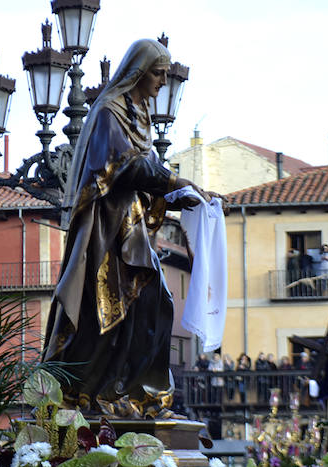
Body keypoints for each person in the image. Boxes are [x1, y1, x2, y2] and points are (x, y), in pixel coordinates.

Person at [42, 39, 206, 419]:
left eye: (166, 75)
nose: (164, 82)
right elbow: (121, 167)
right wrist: (175, 184)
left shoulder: (139, 116)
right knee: (105, 311)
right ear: (138, 72)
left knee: (155, 303)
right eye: (159, 73)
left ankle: (137, 394)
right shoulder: (107, 112)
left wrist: (188, 195)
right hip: (106, 229)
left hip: (132, 227)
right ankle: (85, 393)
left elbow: (149, 174)